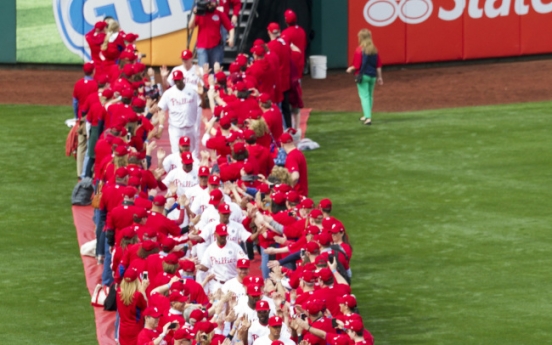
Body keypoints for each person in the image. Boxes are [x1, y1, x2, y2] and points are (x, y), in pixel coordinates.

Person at [157, 70, 200, 155]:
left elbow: (201, 104)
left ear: (183, 79)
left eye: (179, 80)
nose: (177, 82)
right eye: (175, 80)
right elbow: (160, 107)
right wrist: (161, 121)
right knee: (176, 153)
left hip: (190, 127)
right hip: (176, 128)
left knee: (191, 152)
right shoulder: (169, 93)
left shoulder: (192, 91)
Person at [346, 29, 383, 126]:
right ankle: (366, 115)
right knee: (370, 96)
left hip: (363, 76)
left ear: (361, 38)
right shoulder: (374, 49)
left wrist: (350, 68)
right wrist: (380, 77)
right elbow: (378, 65)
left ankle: (368, 118)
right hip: (373, 76)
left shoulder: (359, 50)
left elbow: (357, 65)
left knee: (364, 97)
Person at [188, 0, 235, 69]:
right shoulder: (200, 14)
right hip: (202, 47)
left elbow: (230, 27)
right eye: (209, 2)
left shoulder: (219, 13)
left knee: (215, 69)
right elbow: (190, 27)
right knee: (203, 70)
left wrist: (231, 38)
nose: (211, 4)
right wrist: (195, 14)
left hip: (215, 47)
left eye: (213, 2)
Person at [116, 268, 148, 345]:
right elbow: (146, 308)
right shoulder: (137, 295)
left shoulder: (119, 291)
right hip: (136, 328)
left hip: (123, 328)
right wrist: (143, 290)